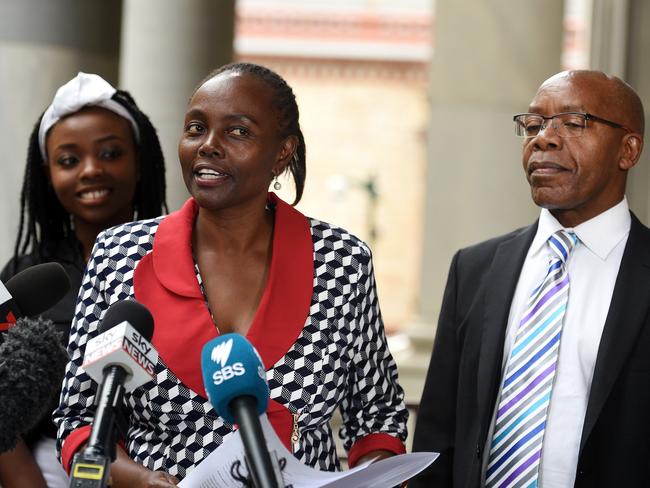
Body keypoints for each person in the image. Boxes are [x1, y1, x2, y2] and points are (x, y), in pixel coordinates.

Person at [53, 62, 408, 486]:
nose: (208, 145)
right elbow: (79, 417)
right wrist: (140, 480)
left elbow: (377, 416)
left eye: (237, 131)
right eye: (196, 128)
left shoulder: (341, 262)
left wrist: (375, 475)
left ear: (282, 151)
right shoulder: (121, 255)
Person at [410, 69, 648, 488]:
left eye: (574, 123)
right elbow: (439, 437)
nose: (543, 139)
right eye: (534, 125)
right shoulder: (475, 269)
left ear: (627, 150)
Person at [0, 72, 167, 488]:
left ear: (140, 160)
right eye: (69, 160)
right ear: (47, 173)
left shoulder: (182, 263)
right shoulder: (25, 276)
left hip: (160, 469)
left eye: (111, 153)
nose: (91, 171)